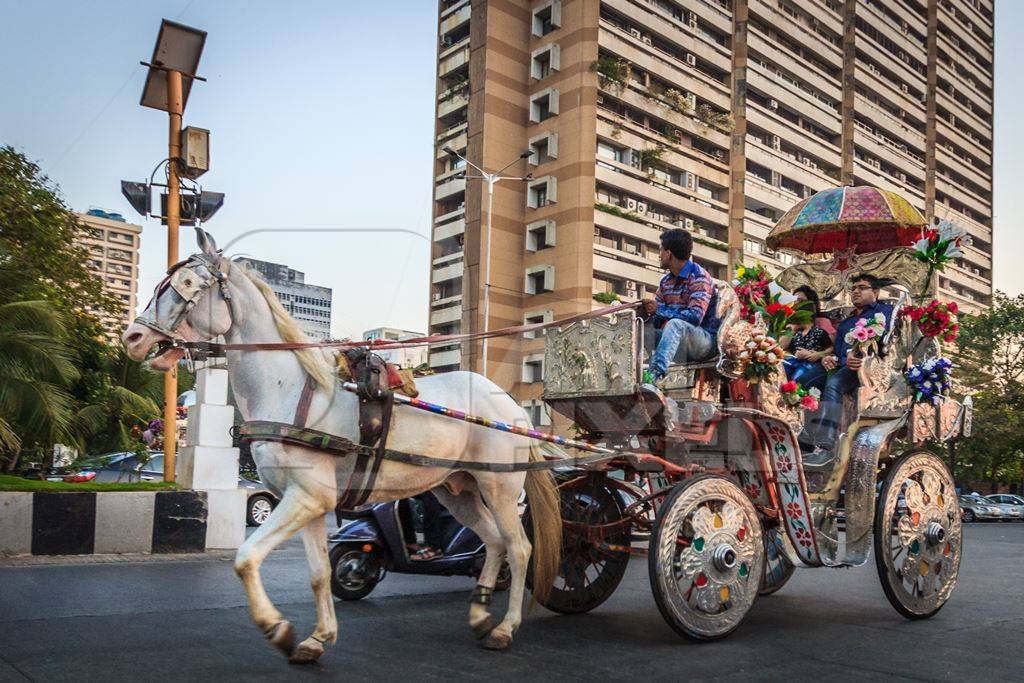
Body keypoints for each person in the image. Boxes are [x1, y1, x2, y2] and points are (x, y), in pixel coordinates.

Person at [802, 273, 893, 463]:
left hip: (866, 368)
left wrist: (860, 354)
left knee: (834, 384)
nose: (856, 292)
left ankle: (826, 444)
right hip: (842, 363)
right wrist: (828, 358)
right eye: (853, 289)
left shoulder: (885, 313)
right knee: (800, 383)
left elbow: (887, 345)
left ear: (875, 291)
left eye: (862, 288)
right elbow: (837, 351)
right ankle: (803, 441)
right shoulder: (846, 323)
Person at [640, 228, 720, 384]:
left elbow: (695, 317)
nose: (659, 255)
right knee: (641, 331)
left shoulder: (699, 276)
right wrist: (644, 313)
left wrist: (659, 309)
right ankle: (637, 378)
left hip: (704, 342)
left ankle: (654, 377)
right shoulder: (665, 282)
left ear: (669, 253)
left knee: (675, 324)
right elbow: (656, 318)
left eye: (660, 250)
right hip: (676, 342)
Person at [781, 285, 833, 391]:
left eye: (800, 300)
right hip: (792, 360)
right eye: (794, 300)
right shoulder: (790, 326)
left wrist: (816, 354)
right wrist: (793, 328)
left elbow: (832, 348)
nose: (796, 303)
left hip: (812, 364)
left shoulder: (821, 326)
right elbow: (782, 347)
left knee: (796, 380)